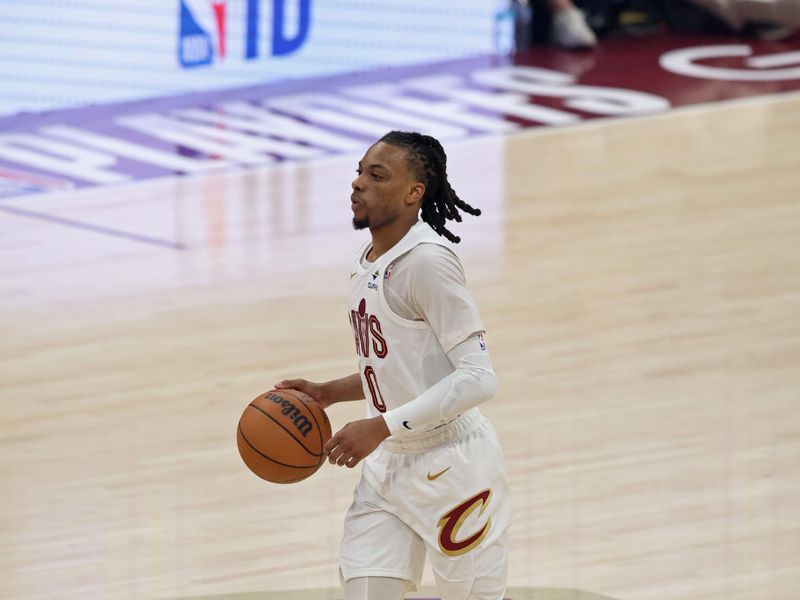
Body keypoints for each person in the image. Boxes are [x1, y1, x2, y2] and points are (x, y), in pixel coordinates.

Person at [275, 131, 511, 600]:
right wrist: (329, 391)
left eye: (376, 175)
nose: (358, 183)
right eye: (359, 171)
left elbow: (478, 379)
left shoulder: (427, 263)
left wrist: (380, 427)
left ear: (413, 192)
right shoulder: (368, 260)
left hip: (455, 470)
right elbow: (399, 366)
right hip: (389, 470)